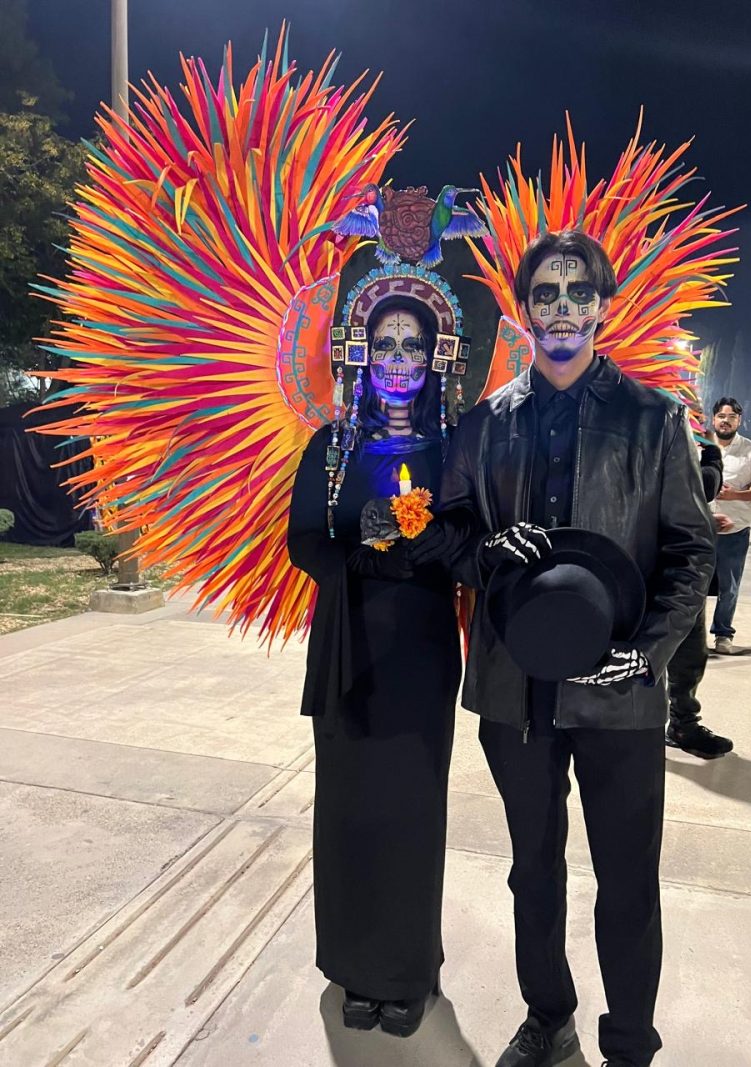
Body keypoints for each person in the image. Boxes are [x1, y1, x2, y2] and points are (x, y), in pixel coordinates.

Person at [438, 230, 715, 1067]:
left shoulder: (653, 418)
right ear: (524, 309)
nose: (562, 308)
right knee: (534, 870)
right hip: (513, 688)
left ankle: (629, 1044)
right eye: (546, 293)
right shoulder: (485, 422)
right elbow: (449, 530)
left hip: (621, 691)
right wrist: (483, 553)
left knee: (627, 878)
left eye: (578, 292)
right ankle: (547, 1015)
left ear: (603, 304)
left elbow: (691, 550)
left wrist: (652, 649)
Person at [288, 292, 468, 1038]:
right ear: (364, 354)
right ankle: (353, 968)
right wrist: (355, 555)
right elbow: (304, 539)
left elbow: (471, 546)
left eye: (412, 345)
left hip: (421, 659)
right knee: (349, 811)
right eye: (386, 344)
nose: (399, 360)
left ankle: (407, 972)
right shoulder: (333, 447)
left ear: (433, 358)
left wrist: (430, 543)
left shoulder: (453, 449)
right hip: (348, 651)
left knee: (411, 810)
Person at [665, 443, 735, 758]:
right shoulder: (655, 430)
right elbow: (704, 484)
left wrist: (703, 517)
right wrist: (713, 456)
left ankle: (683, 725)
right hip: (658, 567)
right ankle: (661, 727)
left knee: (690, 654)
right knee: (663, 653)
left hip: (684, 568)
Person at [709, 397, 751, 653]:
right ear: (714, 419)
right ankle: (688, 634)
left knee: (729, 587)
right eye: (722, 416)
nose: (726, 421)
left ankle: (723, 633)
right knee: (691, 583)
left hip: (735, 531)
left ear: (739, 421)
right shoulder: (699, 445)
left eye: (731, 417)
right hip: (698, 528)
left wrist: (735, 495)